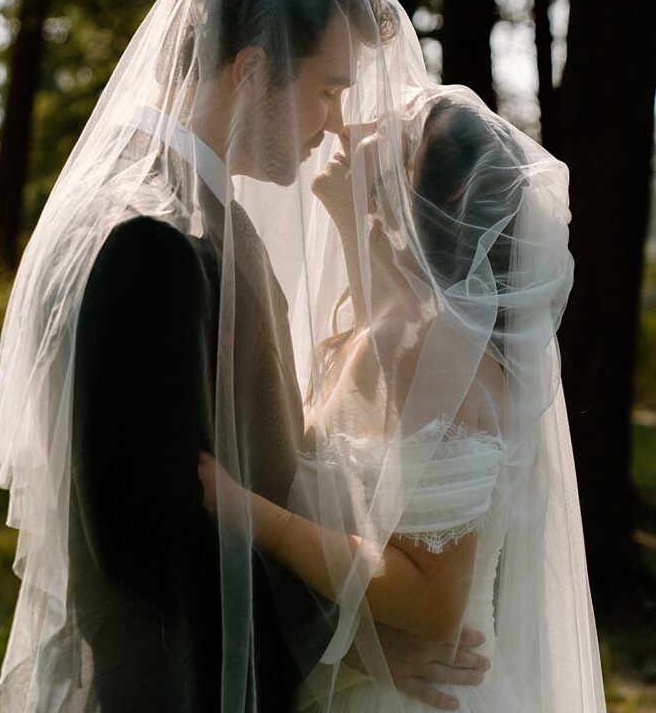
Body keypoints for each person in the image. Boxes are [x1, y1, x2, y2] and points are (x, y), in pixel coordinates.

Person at [0, 0, 489, 713]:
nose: (334, 122)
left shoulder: (184, 212)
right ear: (251, 71)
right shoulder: (151, 236)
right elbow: (148, 531)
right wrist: (349, 640)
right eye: (327, 89)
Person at [198, 89, 607, 712]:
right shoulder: (422, 334)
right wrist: (349, 215)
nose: (348, 124)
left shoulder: (431, 345)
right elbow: (383, 416)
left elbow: (432, 601)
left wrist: (247, 510)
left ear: (434, 194)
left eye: (390, 133)